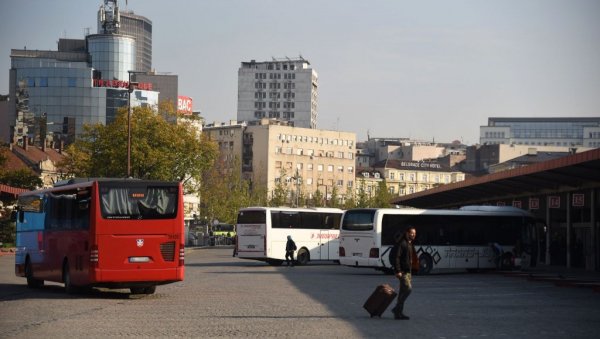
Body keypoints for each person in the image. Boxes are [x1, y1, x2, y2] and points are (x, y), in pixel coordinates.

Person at [391, 226, 417, 320]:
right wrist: (397, 271)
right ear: (407, 233)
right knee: (408, 289)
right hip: (402, 272)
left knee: (402, 292)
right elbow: (396, 257)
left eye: (414, 233)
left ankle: (398, 314)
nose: (413, 234)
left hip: (408, 272)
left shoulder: (410, 244)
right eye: (411, 233)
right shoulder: (402, 243)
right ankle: (397, 309)